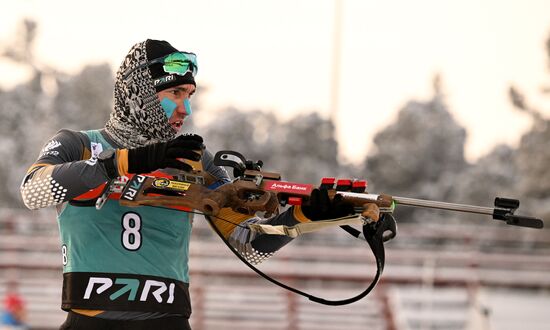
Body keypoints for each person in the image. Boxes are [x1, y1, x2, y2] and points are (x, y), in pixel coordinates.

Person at [20, 39, 357, 330]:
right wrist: (130, 160)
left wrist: (303, 218)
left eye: (190, 94)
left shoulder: (195, 158)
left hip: (167, 321)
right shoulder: (77, 144)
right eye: (176, 93)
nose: (186, 108)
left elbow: (247, 243)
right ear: (142, 94)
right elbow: (33, 191)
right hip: (89, 321)